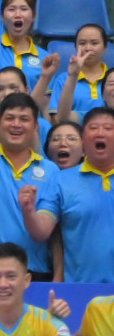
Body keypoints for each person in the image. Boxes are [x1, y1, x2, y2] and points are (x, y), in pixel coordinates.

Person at [49, 105, 114, 283]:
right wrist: (28, 210)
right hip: (79, 289)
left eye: (108, 128)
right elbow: (49, 234)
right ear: (83, 140)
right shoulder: (61, 180)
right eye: (93, 128)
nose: (100, 133)